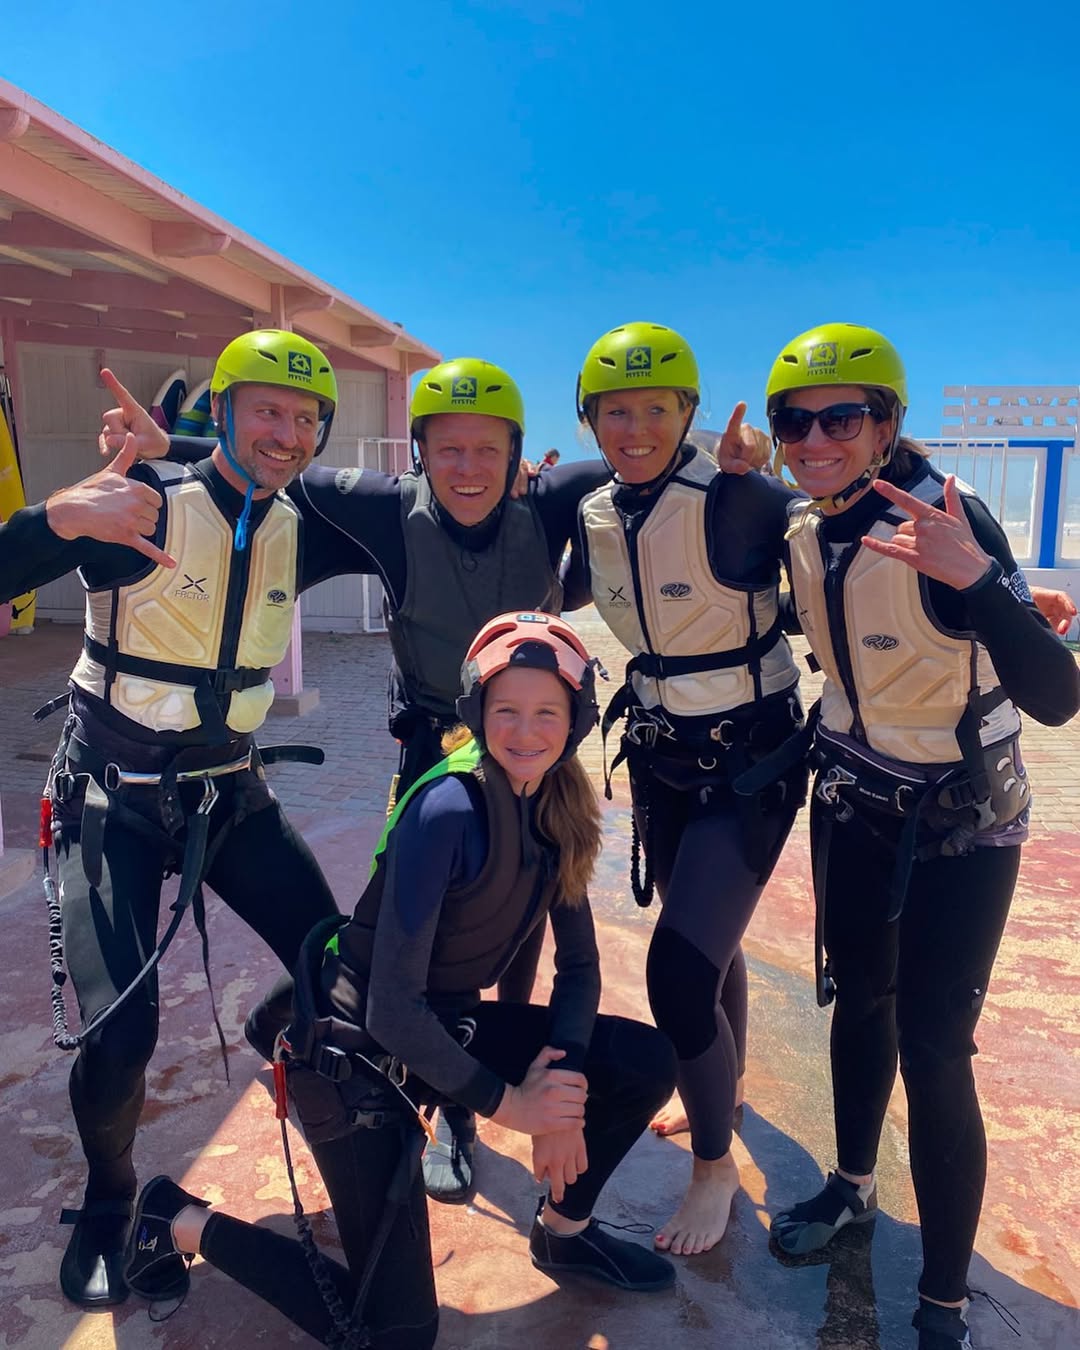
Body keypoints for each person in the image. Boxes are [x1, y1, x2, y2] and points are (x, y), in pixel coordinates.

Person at [99, 355, 612, 1203]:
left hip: (528, 742)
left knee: (521, 924)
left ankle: (480, 1092)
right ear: (418, 453)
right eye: (448, 450)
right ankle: (442, 1101)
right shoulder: (387, 507)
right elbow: (269, 469)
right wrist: (169, 451)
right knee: (422, 936)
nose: (469, 469)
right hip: (436, 750)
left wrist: (737, 465)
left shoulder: (551, 500)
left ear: (520, 453)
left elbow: (645, 463)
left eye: (489, 450)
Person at [120, 612, 679, 1349]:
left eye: (548, 712)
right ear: (477, 711)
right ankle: (176, 1219)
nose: (525, 731)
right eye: (506, 710)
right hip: (355, 1056)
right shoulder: (446, 809)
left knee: (643, 1061)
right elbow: (391, 1009)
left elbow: (579, 967)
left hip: (440, 1027)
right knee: (398, 1335)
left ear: (574, 721)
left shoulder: (557, 804)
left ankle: (564, 1232)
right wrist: (515, 1105)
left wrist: (564, 1092)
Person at [0, 329, 349, 1310]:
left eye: (305, 418)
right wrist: (55, 515)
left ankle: (290, 1050)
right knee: (120, 1038)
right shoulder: (141, 501)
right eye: (266, 410)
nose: (286, 433)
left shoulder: (305, 522)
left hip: (229, 794)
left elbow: (448, 519)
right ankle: (113, 1200)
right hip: (109, 798)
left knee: (341, 968)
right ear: (224, 410)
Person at [755, 323, 1080, 1350]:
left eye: (841, 419)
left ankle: (943, 1303)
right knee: (860, 1001)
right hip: (857, 803)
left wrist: (983, 583)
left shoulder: (948, 516)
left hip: (962, 826)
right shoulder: (806, 531)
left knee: (936, 1050)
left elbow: (1057, 695)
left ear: (887, 424)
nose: (816, 441)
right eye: (795, 423)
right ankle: (853, 1187)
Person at [569, 321, 808, 1256]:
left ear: (690, 413)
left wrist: (996, 597)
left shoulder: (739, 499)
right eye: (615, 413)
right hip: (663, 755)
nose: (635, 431)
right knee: (710, 948)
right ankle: (727, 1096)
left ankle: (715, 1168)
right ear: (590, 421)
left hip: (750, 762)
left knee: (678, 972)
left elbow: (847, 524)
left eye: (656, 410)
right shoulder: (594, 508)